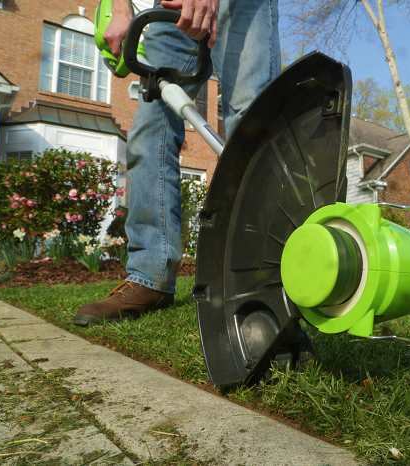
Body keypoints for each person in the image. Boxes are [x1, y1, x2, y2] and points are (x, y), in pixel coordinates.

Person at [73, 0, 281, 326]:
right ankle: (150, 278)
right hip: (172, 9)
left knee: (251, 120)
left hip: (245, 6)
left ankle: (262, 279)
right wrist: (120, 7)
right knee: (150, 130)